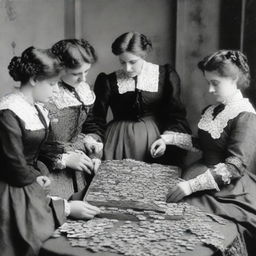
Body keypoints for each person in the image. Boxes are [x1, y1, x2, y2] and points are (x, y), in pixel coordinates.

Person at [0, 46, 100, 256]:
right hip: (12, 188)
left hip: (31, 179)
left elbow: (39, 150)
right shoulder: (9, 111)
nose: (56, 90)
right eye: (53, 84)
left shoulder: (35, 107)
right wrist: (37, 180)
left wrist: (39, 174)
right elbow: (13, 165)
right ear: (34, 79)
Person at [164, 50, 256, 255]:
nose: (210, 89)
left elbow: (235, 165)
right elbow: (205, 144)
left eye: (215, 83)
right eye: (208, 83)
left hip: (227, 187)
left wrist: (192, 185)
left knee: (200, 238)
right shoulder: (213, 109)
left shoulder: (245, 115)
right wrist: (170, 139)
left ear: (235, 79)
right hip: (198, 172)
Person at [91, 31, 190, 164]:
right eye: (122, 62)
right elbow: (97, 118)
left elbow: (176, 114)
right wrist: (95, 144)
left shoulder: (165, 75)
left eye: (133, 62)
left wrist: (165, 140)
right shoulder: (108, 80)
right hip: (118, 141)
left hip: (155, 139)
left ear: (144, 55)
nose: (128, 68)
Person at [39, 39, 103, 200]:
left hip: (80, 165)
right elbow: (29, 144)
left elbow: (90, 124)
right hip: (49, 170)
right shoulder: (44, 94)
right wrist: (63, 159)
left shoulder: (82, 89)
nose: (83, 79)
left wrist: (92, 143)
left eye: (86, 72)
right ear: (60, 69)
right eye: (76, 74)